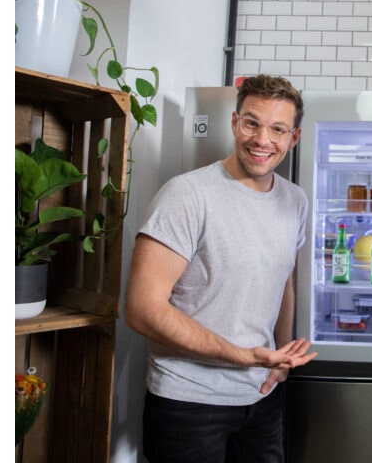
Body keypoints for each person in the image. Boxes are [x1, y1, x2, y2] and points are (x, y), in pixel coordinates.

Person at [125, 74, 318, 463]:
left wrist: (278, 358)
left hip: (262, 397)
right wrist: (242, 355)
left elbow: (284, 281)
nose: (262, 140)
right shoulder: (187, 194)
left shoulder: (295, 201)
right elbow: (142, 309)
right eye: (252, 123)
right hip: (188, 402)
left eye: (277, 129)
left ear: (292, 138)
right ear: (234, 123)